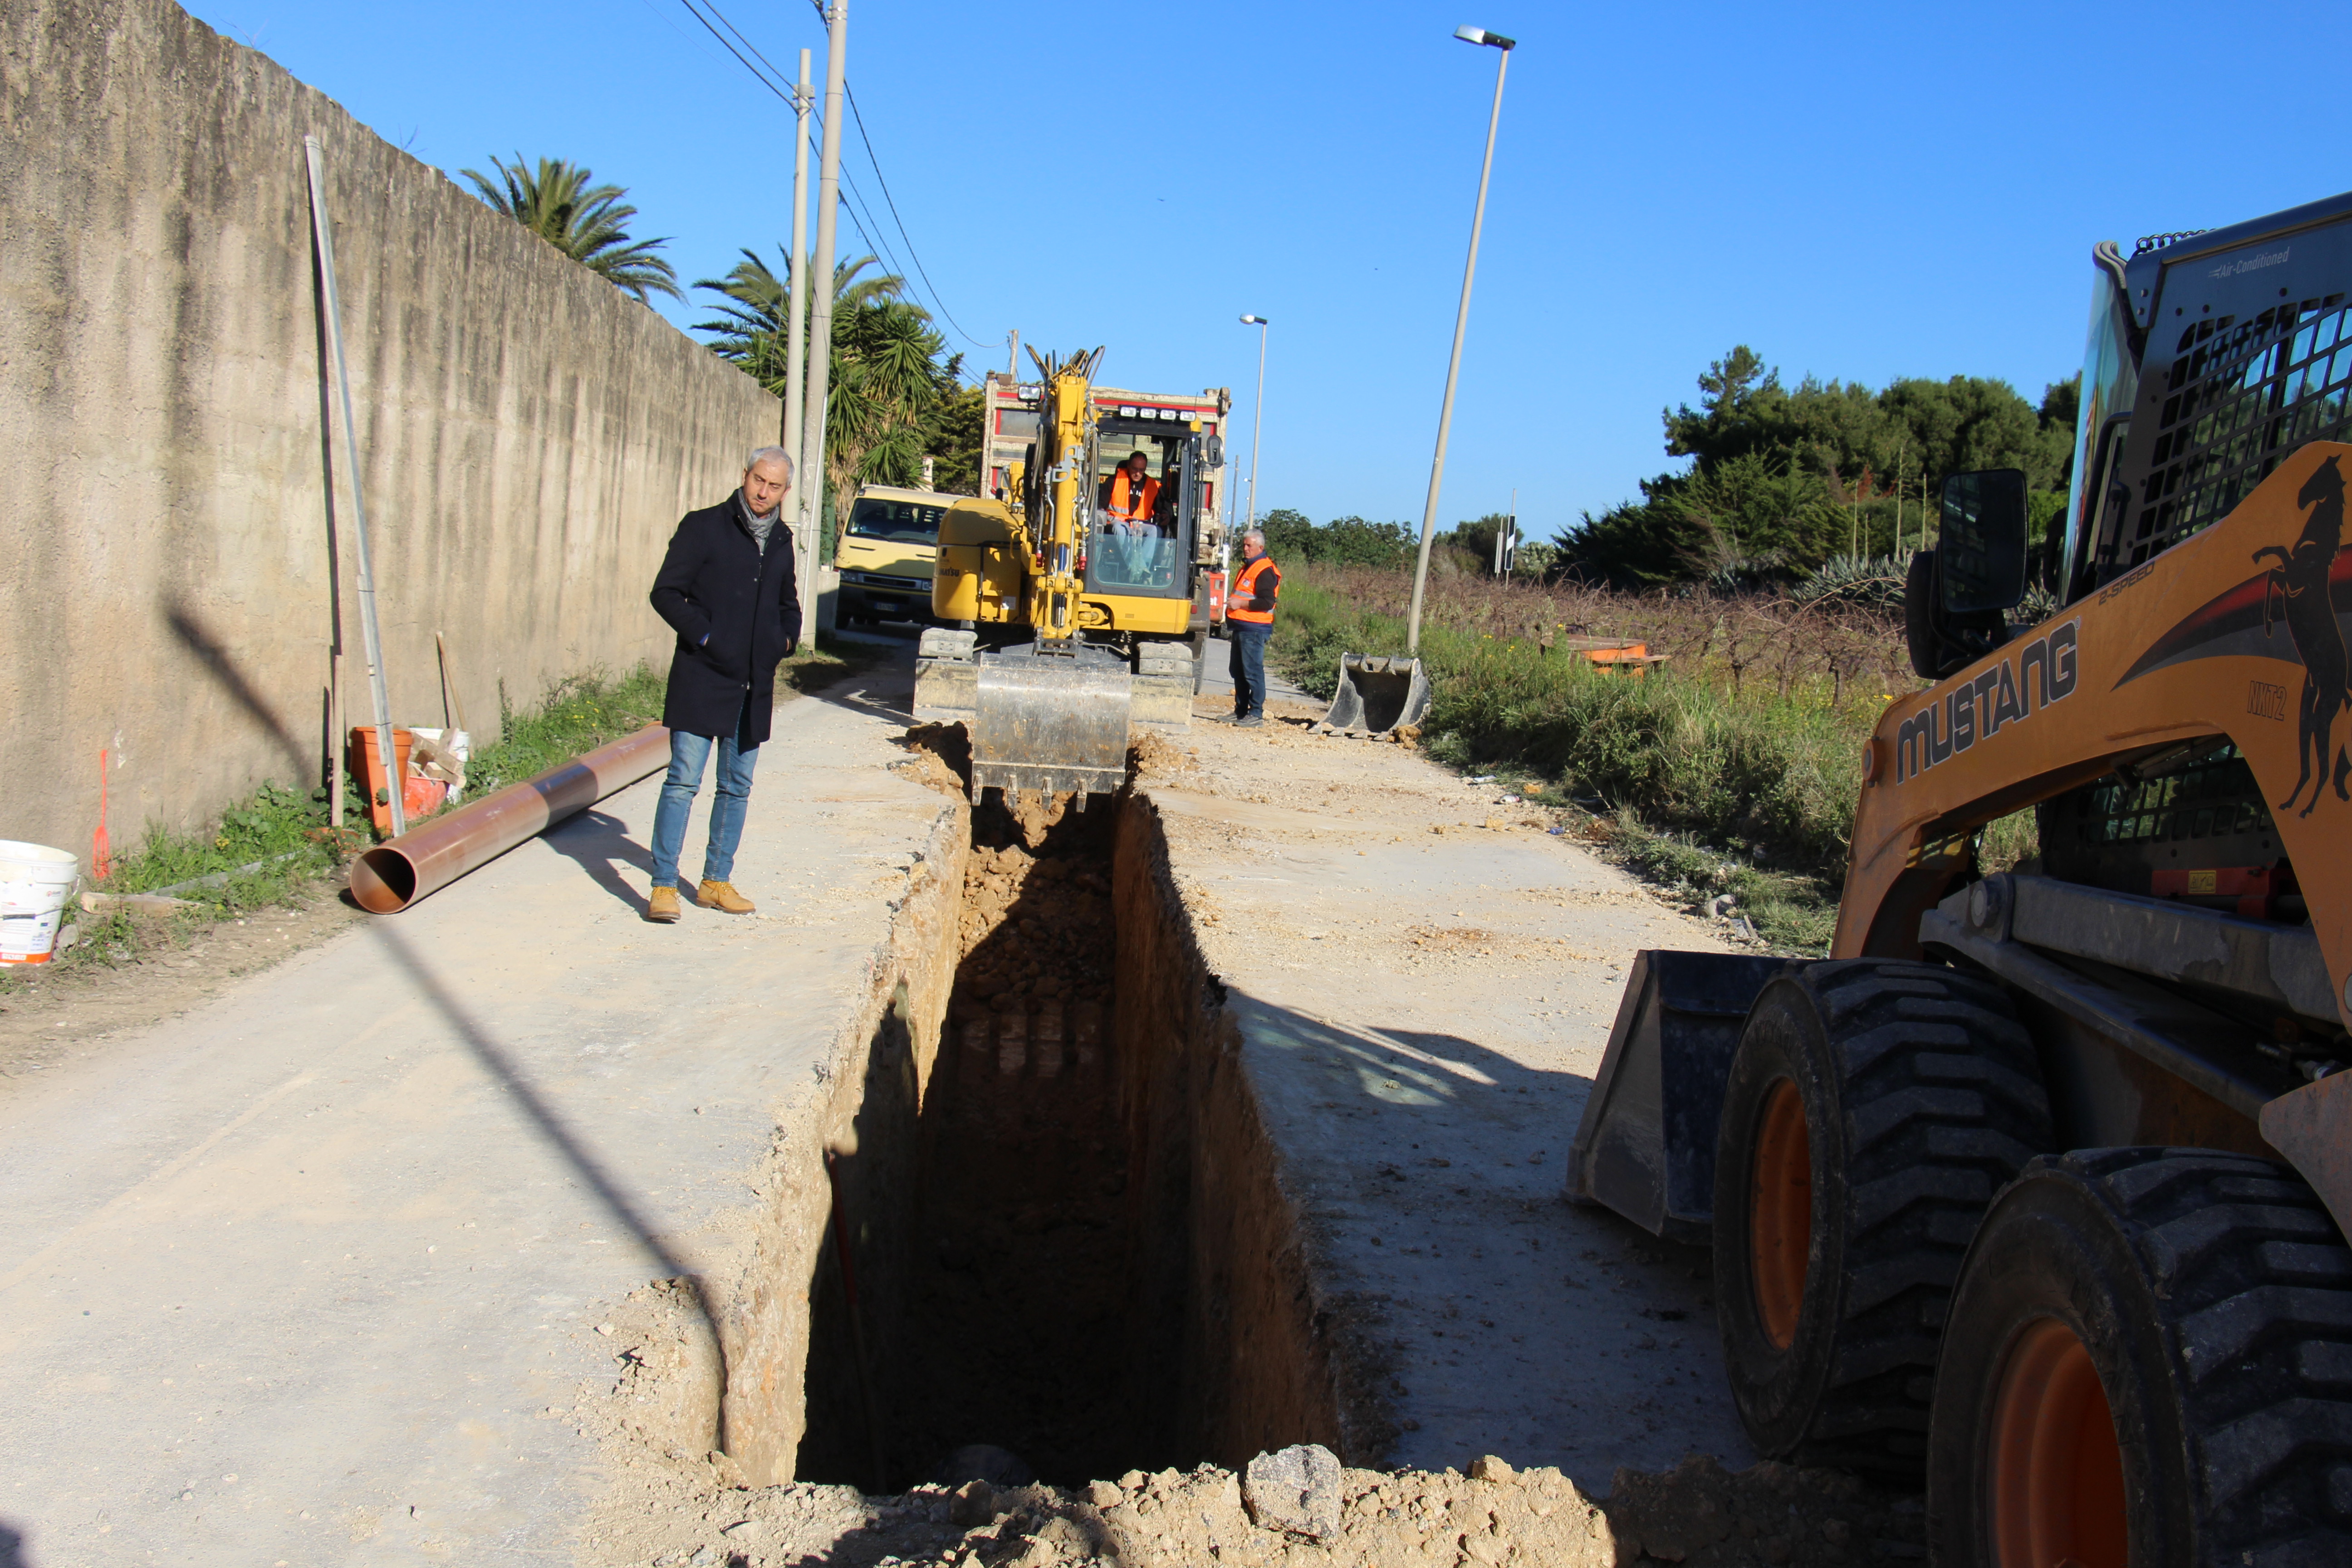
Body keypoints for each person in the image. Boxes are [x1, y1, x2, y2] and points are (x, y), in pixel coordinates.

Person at [642, 446, 802, 923]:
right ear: (745, 476)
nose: (764, 492)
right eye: (758, 480)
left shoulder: (781, 540)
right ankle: (664, 886)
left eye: (774, 486)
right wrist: (706, 635)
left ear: (785, 492)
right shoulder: (704, 526)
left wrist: (784, 640)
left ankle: (715, 882)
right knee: (682, 782)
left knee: (736, 786)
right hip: (702, 677)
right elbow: (666, 592)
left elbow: (787, 602)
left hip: (753, 687)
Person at [1224, 528, 1279, 728]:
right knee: (1238, 670)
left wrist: (1241, 605)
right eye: (1244, 545)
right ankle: (1241, 711)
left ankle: (1256, 713)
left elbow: (1266, 602)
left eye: (1249, 545)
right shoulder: (1248, 567)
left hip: (1254, 628)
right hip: (1242, 627)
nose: (1245, 548)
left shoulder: (1264, 570)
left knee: (1252, 671)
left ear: (1260, 547)